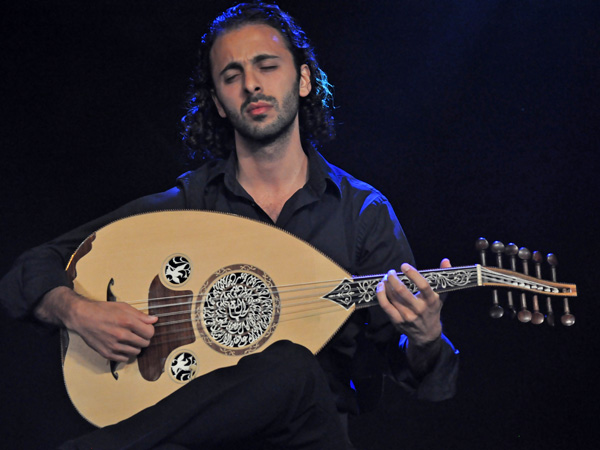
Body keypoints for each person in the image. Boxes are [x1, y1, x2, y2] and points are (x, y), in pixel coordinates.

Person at [0, 3, 458, 449]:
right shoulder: (190, 206)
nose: (252, 85)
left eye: (267, 66)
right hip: (201, 438)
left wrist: (425, 339)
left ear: (302, 80)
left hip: (309, 434)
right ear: (218, 102)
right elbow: (33, 268)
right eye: (231, 75)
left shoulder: (360, 213)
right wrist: (76, 311)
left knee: (293, 368)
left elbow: (416, 369)